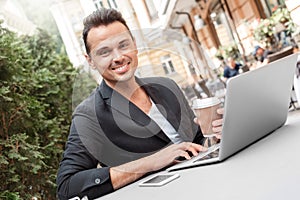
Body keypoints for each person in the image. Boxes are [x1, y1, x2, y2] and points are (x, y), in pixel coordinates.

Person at [56, 8, 224, 200]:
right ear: (91, 61)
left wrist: (214, 136)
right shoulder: (89, 114)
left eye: (123, 45)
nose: (118, 57)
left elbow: (196, 143)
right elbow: (67, 186)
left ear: (135, 45)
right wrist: (151, 163)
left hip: (209, 185)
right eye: (104, 52)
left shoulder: (167, 86)